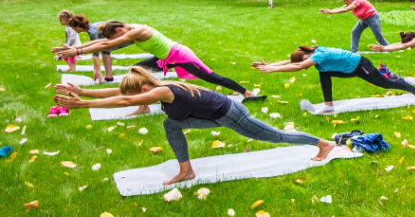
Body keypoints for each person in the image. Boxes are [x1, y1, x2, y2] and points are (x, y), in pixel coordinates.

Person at [53, 67, 336, 185]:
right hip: (216, 115)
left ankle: (322, 143)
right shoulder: (157, 86)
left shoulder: (161, 91)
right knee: (170, 124)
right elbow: (120, 95)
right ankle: (186, 170)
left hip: (231, 114)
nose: (135, 97)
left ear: (145, 86)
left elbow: (122, 102)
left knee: (274, 136)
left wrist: (85, 104)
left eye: (137, 92)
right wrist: (86, 93)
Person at [51, 21, 263, 116]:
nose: (119, 40)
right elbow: (101, 42)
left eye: (117, 35)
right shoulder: (128, 28)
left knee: (212, 78)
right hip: (166, 58)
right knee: (135, 71)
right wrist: (76, 48)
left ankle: (246, 93)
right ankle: (143, 105)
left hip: (181, 56)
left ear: (119, 29)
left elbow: (106, 45)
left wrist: (76, 53)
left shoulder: (137, 30)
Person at [253, 45, 415, 114]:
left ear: (306, 56)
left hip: (360, 65)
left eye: (306, 61)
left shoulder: (320, 54)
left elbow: (298, 66)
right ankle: (328, 105)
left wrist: (273, 69)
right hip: (348, 69)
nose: (306, 64)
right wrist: (271, 65)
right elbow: (293, 62)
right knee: (323, 73)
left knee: (386, 84)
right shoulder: (310, 55)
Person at [68, 14, 133, 82]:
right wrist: (96, 69)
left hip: (126, 37)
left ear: (77, 27)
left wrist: (98, 72)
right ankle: (109, 77)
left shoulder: (92, 32)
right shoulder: (92, 27)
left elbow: (95, 53)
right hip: (122, 36)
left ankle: (109, 77)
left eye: (73, 27)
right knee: (105, 50)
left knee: (105, 50)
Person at [320, 0, 389, 53]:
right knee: (355, 32)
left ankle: (389, 48)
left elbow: (345, 9)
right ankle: (353, 50)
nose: (344, 2)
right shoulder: (352, 2)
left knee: (378, 35)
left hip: (372, 18)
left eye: (345, 1)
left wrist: (331, 12)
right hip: (363, 19)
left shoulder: (357, 1)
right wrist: (330, 11)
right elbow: (342, 8)